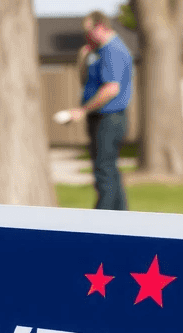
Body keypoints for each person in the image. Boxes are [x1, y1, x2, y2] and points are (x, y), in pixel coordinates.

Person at [66, 12, 132, 211]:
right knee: (108, 170)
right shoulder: (99, 52)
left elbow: (111, 89)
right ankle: (123, 218)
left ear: (100, 27)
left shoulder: (113, 50)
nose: (85, 35)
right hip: (100, 118)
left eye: (88, 31)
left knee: (104, 172)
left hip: (109, 118)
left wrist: (82, 110)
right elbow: (85, 80)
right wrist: (83, 57)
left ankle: (100, 222)